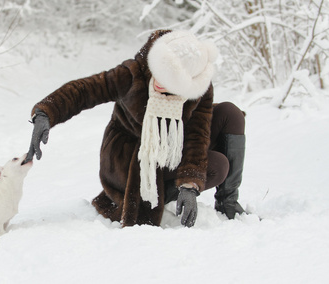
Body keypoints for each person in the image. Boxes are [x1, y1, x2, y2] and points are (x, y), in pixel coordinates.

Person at [23, 30, 246, 227]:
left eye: (170, 81)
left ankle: (228, 202)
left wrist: (190, 184)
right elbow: (85, 90)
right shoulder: (133, 74)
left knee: (230, 114)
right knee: (218, 165)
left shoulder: (198, 89)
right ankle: (159, 193)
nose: (160, 82)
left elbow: (198, 135)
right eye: (160, 72)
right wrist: (46, 113)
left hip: (173, 146)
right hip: (134, 158)